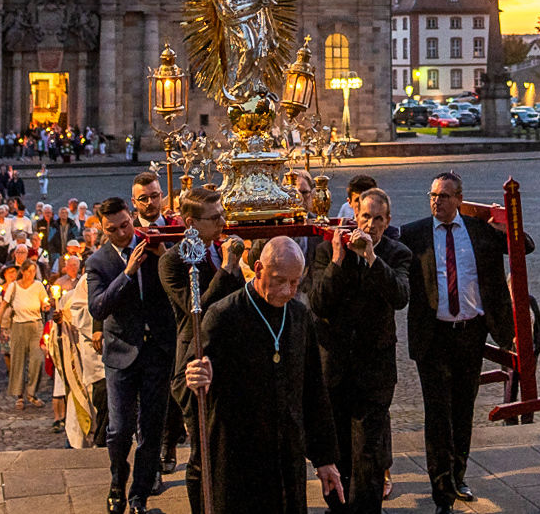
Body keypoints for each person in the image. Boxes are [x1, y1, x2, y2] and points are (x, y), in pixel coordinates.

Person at [401, 172, 533, 513]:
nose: (436, 201)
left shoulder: (477, 233)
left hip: (470, 333)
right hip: (433, 336)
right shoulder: (414, 234)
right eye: (432, 195)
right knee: (437, 414)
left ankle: (459, 475)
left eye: (444, 196)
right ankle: (440, 489)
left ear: (459, 199)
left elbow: (524, 246)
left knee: (462, 409)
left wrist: (505, 227)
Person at [181, 237, 342, 514]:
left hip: (286, 457)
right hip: (238, 457)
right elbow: (187, 387)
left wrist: (325, 458)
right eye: (281, 280)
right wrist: (197, 379)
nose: (290, 291)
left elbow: (313, 390)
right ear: (258, 268)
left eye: (296, 282)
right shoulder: (223, 315)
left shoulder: (299, 315)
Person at [306, 188, 411, 513]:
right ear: (355, 217)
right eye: (366, 217)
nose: (371, 224)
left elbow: (400, 296)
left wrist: (371, 259)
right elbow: (318, 302)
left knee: (368, 454)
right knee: (336, 453)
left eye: (379, 218)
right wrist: (339, 260)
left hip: (374, 373)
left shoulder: (397, 254)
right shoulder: (327, 250)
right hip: (334, 369)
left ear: (387, 221)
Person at [88, 197, 178, 514]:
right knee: (119, 427)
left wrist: (163, 256)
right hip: (121, 351)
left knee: (152, 426)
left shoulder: (153, 245)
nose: (122, 233)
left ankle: (139, 494)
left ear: (131, 217)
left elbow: (177, 286)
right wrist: (127, 273)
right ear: (103, 229)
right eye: (112, 229)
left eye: (125, 225)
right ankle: (117, 482)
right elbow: (98, 307)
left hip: (156, 350)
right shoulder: (98, 262)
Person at [162, 187, 247, 506]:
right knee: (202, 452)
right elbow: (197, 309)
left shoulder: (227, 249)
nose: (223, 223)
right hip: (196, 364)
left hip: (231, 361)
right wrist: (226, 270)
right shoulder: (173, 261)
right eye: (214, 218)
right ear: (190, 222)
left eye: (223, 214)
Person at [54, 249, 105, 446]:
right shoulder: (81, 286)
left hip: (112, 352)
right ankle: (89, 440)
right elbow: (75, 315)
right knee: (91, 398)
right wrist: (61, 321)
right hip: (88, 354)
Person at [0, 259, 53, 409]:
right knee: (18, 360)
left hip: (35, 325)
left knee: (37, 359)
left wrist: (46, 305)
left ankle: (32, 392)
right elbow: (3, 306)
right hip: (18, 326)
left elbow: (44, 302)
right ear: (22, 271)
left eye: (33, 271)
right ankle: (19, 395)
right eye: (28, 271)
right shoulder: (14, 287)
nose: (31, 274)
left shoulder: (38, 286)